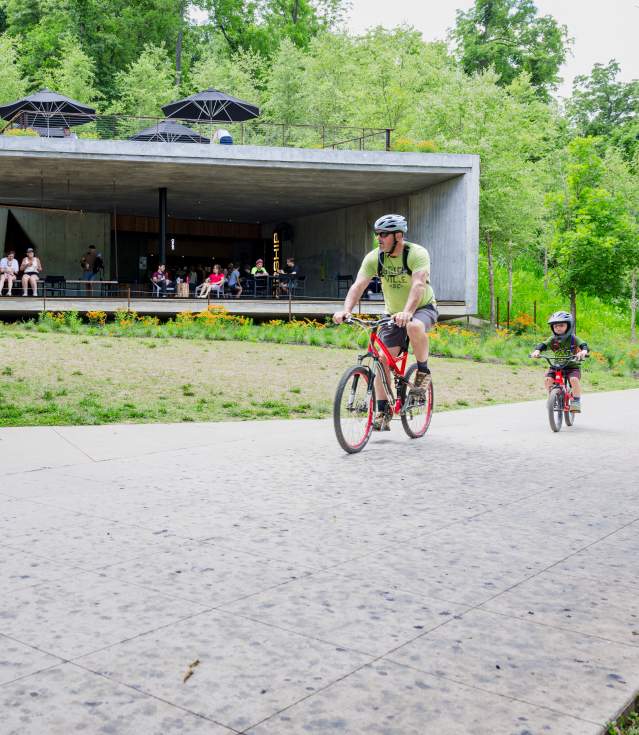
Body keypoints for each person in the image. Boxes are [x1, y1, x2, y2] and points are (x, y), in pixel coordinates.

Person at [333, 213, 438, 431]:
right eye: (377, 235)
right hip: (392, 314)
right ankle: (383, 412)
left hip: (422, 308)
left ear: (398, 236)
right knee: (380, 358)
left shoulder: (416, 254)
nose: (378, 239)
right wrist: (346, 310)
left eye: (383, 235)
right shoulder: (375, 257)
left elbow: (418, 285)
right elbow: (358, 285)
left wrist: (408, 312)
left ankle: (422, 372)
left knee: (414, 325)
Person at [531, 311, 589, 413]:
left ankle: (576, 402)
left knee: (574, 379)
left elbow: (583, 345)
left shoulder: (573, 338)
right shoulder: (553, 339)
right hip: (557, 366)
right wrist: (537, 351)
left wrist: (583, 351)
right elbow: (543, 344)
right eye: (555, 326)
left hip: (572, 366)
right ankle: (552, 397)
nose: (558, 328)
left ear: (569, 326)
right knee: (547, 379)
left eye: (561, 325)